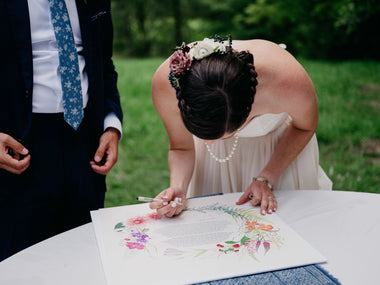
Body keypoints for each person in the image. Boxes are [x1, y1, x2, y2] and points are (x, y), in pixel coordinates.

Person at [149, 35, 332, 218]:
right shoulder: (167, 84)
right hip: (213, 168)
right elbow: (181, 147)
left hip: (281, 151)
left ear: (250, 106)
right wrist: (178, 187)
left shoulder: (287, 81)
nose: (211, 144)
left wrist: (266, 177)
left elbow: (305, 127)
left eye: (227, 135)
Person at [0, 0, 123, 261]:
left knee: (83, 254)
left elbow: (104, 62)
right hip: (17, 146)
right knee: (20, 260)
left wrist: (111, 125)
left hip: (85, 143)